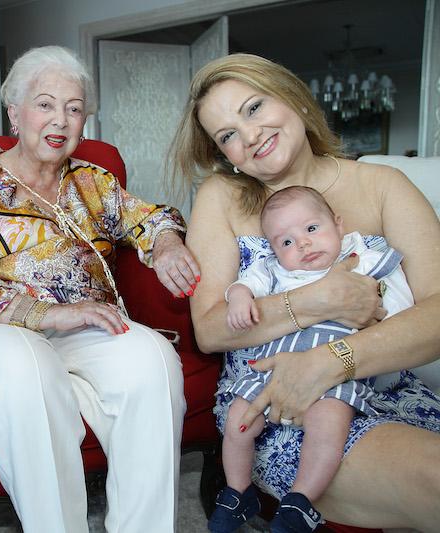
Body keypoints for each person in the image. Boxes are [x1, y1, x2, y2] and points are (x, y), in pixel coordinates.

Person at [0, 45, 199, 533]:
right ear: (15, 113)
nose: (60, 120)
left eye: (73, 109)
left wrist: (167, 243)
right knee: (27, 366)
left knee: (153, 358)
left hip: (81, 324)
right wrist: (46, 315)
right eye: (45, 104)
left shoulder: (92, 181)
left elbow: (151, 217)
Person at [170, 52, 440, 531]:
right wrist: (319, 300)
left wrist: (331, 361)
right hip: (276, 404)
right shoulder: (221, 198)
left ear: (292, 95)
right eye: (227, 135)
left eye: (254, 108)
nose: (249, 136)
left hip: (388, 388)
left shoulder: (384, 186)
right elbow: (211, 329)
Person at [212, 185, 414, 532]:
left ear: (338, 225)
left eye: (311, 228)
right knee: (238, 420)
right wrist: (240, 297)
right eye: (286, 242)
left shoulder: (362, 258)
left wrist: (382, 313)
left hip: (335, 374)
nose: (303, 244)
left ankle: (301, 500)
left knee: (328, 423)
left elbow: (401, 305)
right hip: (273, 370)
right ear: (274, 249)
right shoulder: (274, 269)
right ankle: (238, 491)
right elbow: (246, 283)